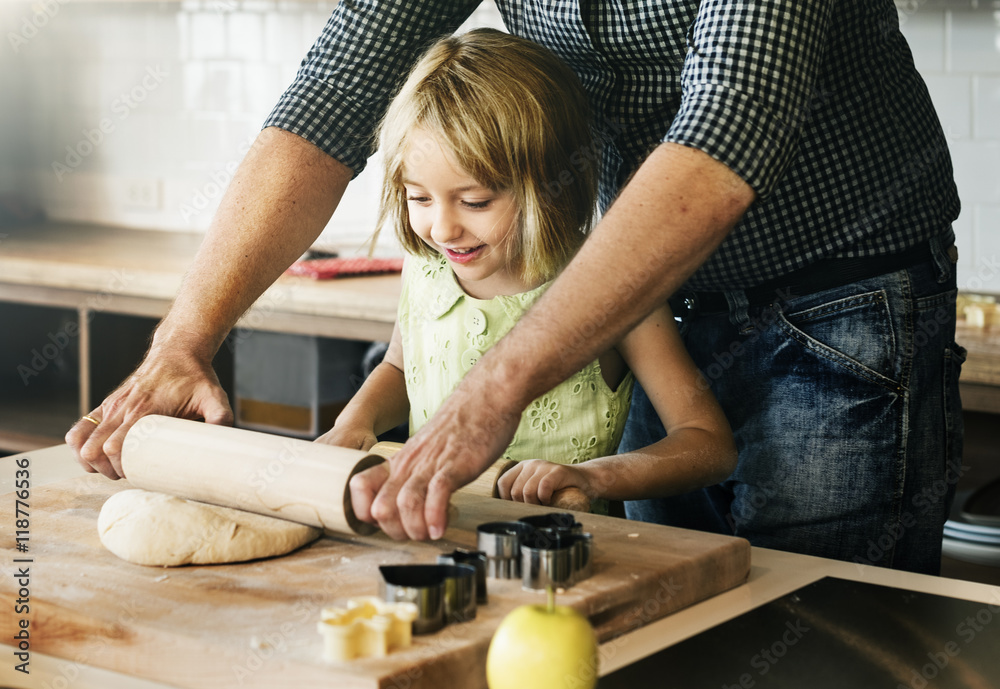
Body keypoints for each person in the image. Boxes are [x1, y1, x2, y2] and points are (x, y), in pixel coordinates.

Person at [68, 1, 963, 574]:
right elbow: (333, 93)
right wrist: (186, 338)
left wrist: (495, 383)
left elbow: (730, 119)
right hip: (645, 288)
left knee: (806, 635)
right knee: (669, 608)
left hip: (843, 300)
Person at [317, 30, 737, 516]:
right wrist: (357, 421)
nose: (443, 227)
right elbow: (397, 367)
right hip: (436, 535)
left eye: (475, 201)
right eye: (419, 198)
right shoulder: (427, 268)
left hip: (562, 558)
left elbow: (708, 444)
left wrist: (593, 477)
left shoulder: (614, 287)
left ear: (552, 186)